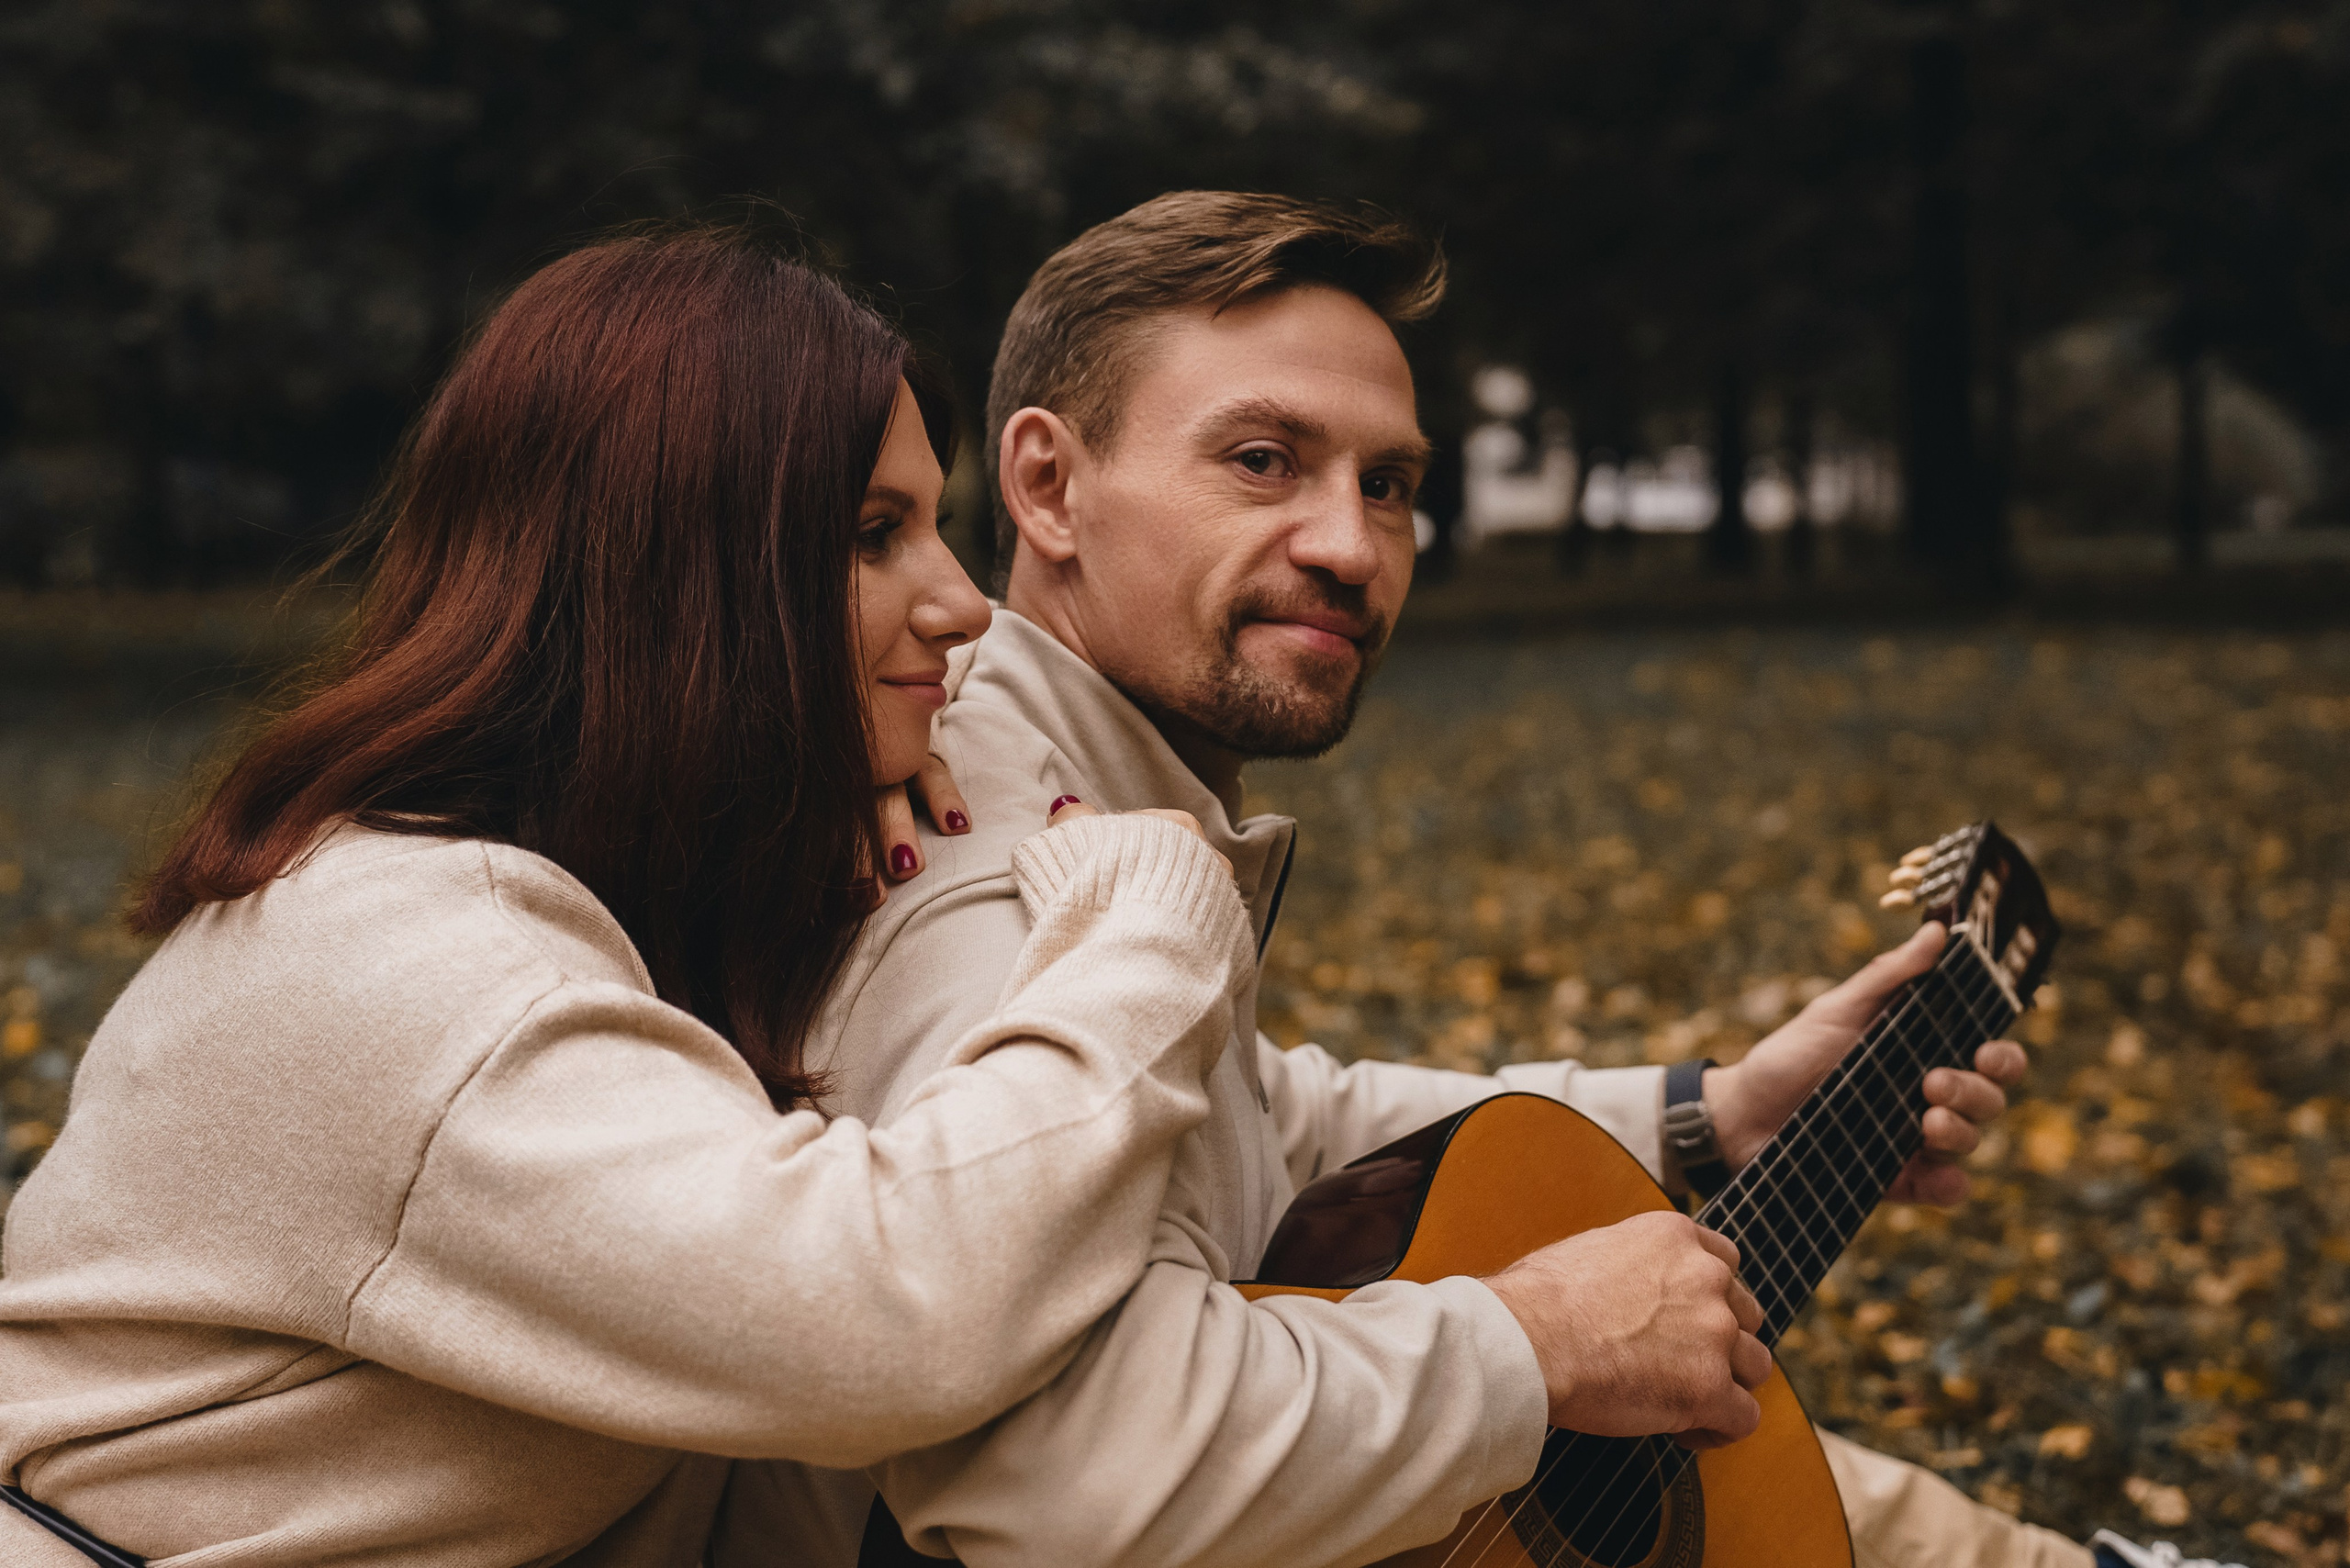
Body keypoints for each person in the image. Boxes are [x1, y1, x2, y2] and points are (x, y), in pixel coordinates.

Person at [720, 193, 2109, 1568]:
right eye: (1264, 460)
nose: (1349, 547)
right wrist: (1535, 1346)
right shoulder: (976, 871)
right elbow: (1052, 1464)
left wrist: (1712, 1114)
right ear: (1047, 485)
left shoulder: (1094, 788)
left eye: (1387, 485)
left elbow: (1252, 1117)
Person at [0, 225, 1267, 1565]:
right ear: (679, 582)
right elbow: (881, 1321)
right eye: (873, 535)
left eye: (937, 529)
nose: (962, 604)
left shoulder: (590, 899)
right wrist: (1148, 918)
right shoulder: (413, 961)